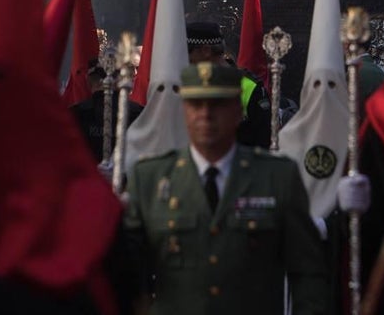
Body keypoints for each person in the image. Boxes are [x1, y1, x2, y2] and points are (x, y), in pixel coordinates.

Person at [124, 61, 328, 314]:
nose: (206, 114)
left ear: (237, 110)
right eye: (196, 105)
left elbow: (308, 273)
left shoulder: (277, 178)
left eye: (217, 104)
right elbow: (129, 271)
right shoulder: (150, 179)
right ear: (184, 111)